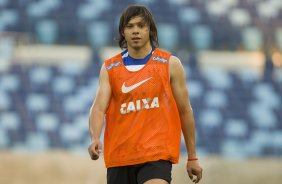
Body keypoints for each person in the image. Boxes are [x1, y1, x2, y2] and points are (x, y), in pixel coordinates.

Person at [88, 4, 203, 184]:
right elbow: (98, 108)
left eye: (141, 26)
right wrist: (95, 138)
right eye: (130, 26)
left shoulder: (170, 64)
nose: (136, 31)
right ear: (122, 32)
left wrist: (192, 157)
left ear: (150, 30)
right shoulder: (110, 68)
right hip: (120, 156)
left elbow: (185, 111)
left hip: (155, 154)